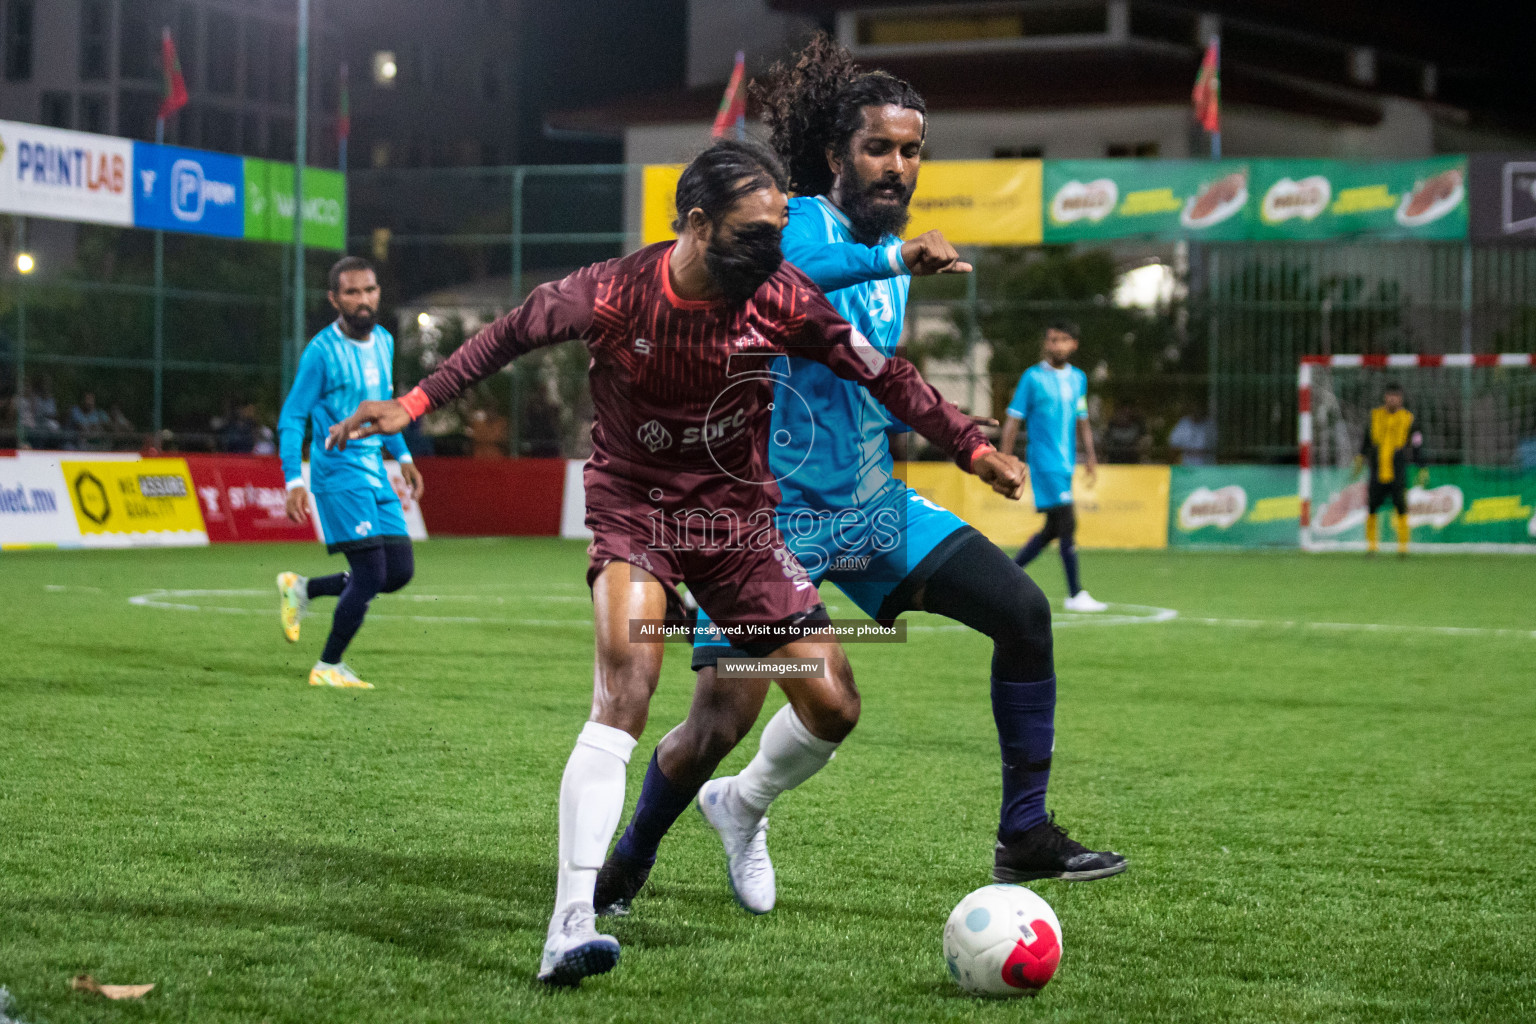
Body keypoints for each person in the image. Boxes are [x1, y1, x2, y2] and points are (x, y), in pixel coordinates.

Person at [327, 138, 1025, 986]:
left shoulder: (779, 295)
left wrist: (965, 443)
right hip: (637, 515)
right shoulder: (613, 291)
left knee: (835, 705)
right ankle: (570, 922)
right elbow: (504, 338)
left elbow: (879, 371)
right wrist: (410, 403)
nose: (773, 254)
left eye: (776, 234)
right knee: (626, 689)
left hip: (739, 526)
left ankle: (741, 806)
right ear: (696, 224)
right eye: (753, 235)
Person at [595, 35, 1126, 923]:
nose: (898, 165)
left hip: (872, 510)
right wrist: (894, 258)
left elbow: (872, 373)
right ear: (838, 153)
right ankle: (631, 857)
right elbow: (783, 275)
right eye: (879, 147)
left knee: (1024, 615)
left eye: (912, 150)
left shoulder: (889, 254)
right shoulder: (800, 223)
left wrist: (963, 437)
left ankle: (1020, 832)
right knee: (714, 728)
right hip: (771, 526)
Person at [275, 256, 425, 689]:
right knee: (371, 575)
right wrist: (293, 480)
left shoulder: (383, 340)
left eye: (370, 290)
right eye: (352, 292)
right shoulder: (320, 354)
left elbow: (384, 411)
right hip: (338, 474)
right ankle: (328, 666)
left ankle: (302, 589)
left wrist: (405, 458)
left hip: (375, 470)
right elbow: (291, 417)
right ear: (334, 299)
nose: (363, 300)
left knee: (398, 571)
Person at [1000, 323, 1108, 613]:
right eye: (1051, 340)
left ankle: (1003, 577)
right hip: (1044, 462)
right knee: (1068, 524)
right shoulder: (1032, 378)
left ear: (1073, 344)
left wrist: (1091, 456)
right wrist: (1004, 458)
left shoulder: (1079, 379)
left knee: (1052, 529)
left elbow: (1082, 418)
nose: (1055, 345)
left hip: (1066, 464)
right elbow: (1013, 418)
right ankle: (1075, 593)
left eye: (1062, 340)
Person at [1351, 383, 1426, 556]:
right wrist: (1360, 458)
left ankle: (1403, 547)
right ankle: (1371, 546)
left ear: (1401, 398)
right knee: (1372, 506)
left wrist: (1421, 466)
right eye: (1390, 395)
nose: (1392, 398)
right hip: (1377, 467)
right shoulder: (1375, 416)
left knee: (1400, 505)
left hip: (1397, 468)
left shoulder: (1408, 418)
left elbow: (1416, 445)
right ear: (1385, 397)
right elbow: (1366, 440)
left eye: (1396, 396)